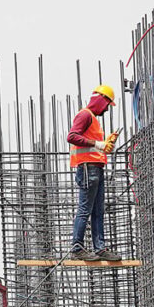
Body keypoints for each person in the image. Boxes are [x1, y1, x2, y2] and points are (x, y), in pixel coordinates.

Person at [67, 85, 121, 261]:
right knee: (85, 209)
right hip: (87, 169)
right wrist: (98, 144)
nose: (106, 109)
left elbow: (92, 145)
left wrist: (105, 145)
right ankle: (77, 247)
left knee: (98, 210)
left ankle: (100, 248)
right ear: (100, 99)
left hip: (96, 168)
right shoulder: (84, 115)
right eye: (107, 105)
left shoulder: (93, 119)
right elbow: (72, 136)